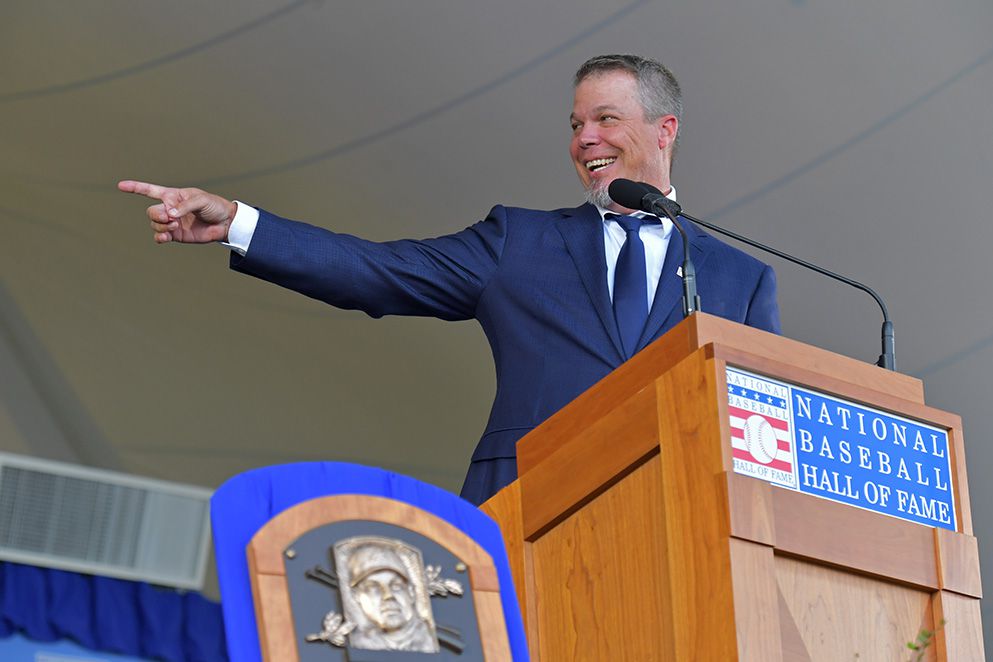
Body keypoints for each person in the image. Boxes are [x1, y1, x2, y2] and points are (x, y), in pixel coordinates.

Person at [118, 54, 780, 505]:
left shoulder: (738, 277)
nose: (584, 138)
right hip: (526, 509)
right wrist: (239, 223)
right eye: (575, 124)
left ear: (663, 130)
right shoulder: (519, 241)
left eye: (605, 119)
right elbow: (374, 272)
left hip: (678, 526)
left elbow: (761, 447)